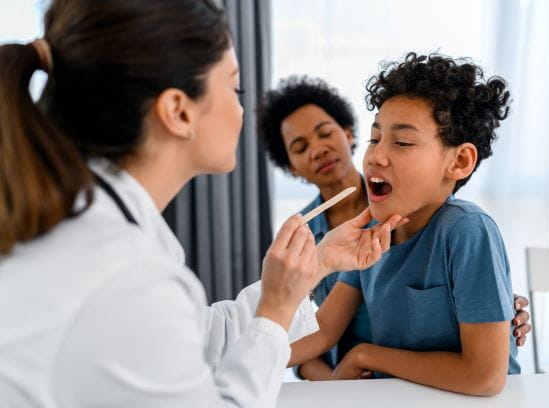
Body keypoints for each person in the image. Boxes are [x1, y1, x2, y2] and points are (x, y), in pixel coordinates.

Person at [0, 1, 404, 406]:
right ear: (178, 111)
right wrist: (277, 311)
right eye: (234, 87)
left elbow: (198, 337)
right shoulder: (121, 275)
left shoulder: (108, 231)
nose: (241, 108)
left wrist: (317, 265)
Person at [258, 76, 531, 381]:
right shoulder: (369, 234)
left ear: (459, 161)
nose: (374, 155)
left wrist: (367, 356)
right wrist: (247, 355)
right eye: (375, 139)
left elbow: (486, 376)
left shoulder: (467, 230)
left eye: (401, 142)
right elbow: (323, 330)